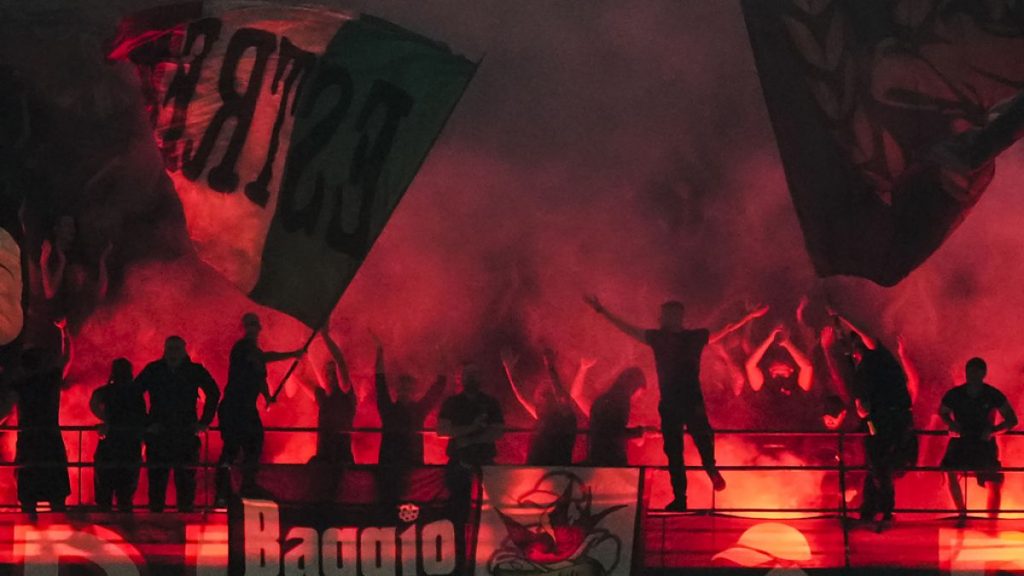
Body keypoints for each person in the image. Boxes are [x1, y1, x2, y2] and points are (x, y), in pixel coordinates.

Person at [585, 295, 768, 511]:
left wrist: (602, 311)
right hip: (685, 399)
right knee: (692, 441)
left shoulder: (667, 337)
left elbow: (628, 329)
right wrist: (749, 316)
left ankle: (689, 490)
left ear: (667, 317)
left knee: (679, 448)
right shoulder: (685, 337)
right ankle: (699, 479)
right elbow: (726, 328)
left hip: (674, 401)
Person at [215, 313, 302, 505]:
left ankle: (247, 485)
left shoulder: (254, 354)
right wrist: (293, 354)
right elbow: (262, 359)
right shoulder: (242, 348)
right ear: (244, 327)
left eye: (255, 324)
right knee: (231, 449)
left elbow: (260, 376)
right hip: (234, 406)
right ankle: (222, 493)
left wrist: (267, 396)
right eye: (249, 324)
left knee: (254, 444)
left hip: (246, 407)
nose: (253, 328)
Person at [843, 319, 916, 529]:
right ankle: (869, 512)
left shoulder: (879, 360)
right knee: (875, 468)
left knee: (883, 468)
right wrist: (862, 410)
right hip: (875, 422)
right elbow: (861, 403)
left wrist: (842, 314)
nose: (854, 354)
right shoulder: (861, 373)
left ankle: (885, 513)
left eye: (856, 349)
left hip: (894, 422)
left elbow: (868, 337)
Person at [137, 335, 220, 512]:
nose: (173, 352)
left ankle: (182, 518)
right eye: (170, 348)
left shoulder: (185, 370)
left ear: (184, 351)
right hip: (165, 433)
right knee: (158, 480)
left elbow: (214, 392)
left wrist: (204, 421)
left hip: (182, 432)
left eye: (176, 348)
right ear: (164, 350)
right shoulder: (156, 369)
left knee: (185, 481)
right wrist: (146, 423)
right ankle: (157, 518)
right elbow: (134, 394)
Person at [437, 362, 504, 573]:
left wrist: (465, 438)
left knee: (492, 516)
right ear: (461, 378)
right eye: (467, 374)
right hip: (458, 465)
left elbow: (498, 431)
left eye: (474, 373)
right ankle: (458, 562)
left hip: (485, 466)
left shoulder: (490, 402)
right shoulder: (452, 402)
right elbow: (442, 429)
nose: (471, 377)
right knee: (458, 514)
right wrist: (474, 429)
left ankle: (490, 560)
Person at [939, 358, 1017, 527]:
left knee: (994, 480)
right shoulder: (955, 394)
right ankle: (962, 513)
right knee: (949, 470)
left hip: (984, 442)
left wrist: (994, 431)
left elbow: (1012, 419)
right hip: (962, 440)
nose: (972, 376)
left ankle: (992, 522)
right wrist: (951, 423)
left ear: (983, 374)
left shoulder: (993, 394)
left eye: (976, 372)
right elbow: (943, 411)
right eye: (969, 372)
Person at [374, 335, 447, 504]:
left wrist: (441, 352)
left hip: (411, 467)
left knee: (411, 508)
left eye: (408, 387)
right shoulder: (388, 408)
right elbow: (379, 382)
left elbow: (439, 384)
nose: (405, 390)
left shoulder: (418, 409)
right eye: (402, 386)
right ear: (397, 390)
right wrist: (379, 351)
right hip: (389, 467)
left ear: (413, 391)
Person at [10, 321, 71, 516]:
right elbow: (65, 358)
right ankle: (60, 525)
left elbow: (6, 405)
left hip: (29, 440)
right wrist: (64, 333)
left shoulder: (20, 383)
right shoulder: (50, 379)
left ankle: (30, 522)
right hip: (50, 439)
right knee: (57, 495)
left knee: (29, 497)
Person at [501, 348, 581, 466]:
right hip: (536, 469)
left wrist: (550, 367)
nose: (540, 397)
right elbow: (521, 396)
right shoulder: (544, 416)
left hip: (554, 469)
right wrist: (509, 371)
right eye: (541, 393)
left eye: (544, 393)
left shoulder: (564, 417)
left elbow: (561, 397)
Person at [90, 358, 146, 512]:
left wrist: (104, 419)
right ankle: (126, 526)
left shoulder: (108, 391)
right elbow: (142, 417)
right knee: (125, 495)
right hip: (129, 445)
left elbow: (94, 401)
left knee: (105, 492)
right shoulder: (135, 392)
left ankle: (105, 521)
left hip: (111, 444)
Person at [744, 326, 817, 430]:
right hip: (765, 429)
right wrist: (769, 339)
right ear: (770, 370)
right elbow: (750, 365)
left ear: (791, 369)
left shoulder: (797, 384)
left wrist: (787, 343)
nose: (778, 364)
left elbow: (807, 367)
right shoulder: (764, 384)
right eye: (774, 364)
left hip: (795, 430)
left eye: (782, 363)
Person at [306, 328, 357, 465]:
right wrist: (296, 355)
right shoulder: (322, 396)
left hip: (342, 456)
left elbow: (340, 361)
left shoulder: (346, 391)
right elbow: (300, 378)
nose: (331, 374)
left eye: (334, 371)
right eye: (328, 371)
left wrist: (325, 336)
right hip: (323, 455)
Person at [586, 367, 647, 466]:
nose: (638, 398)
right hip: (610, 461)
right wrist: (640, 431)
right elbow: (614, 432)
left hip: (597, 458)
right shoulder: (621, 402)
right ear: (633, 386)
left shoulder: (604, 399)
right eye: (639, 394)